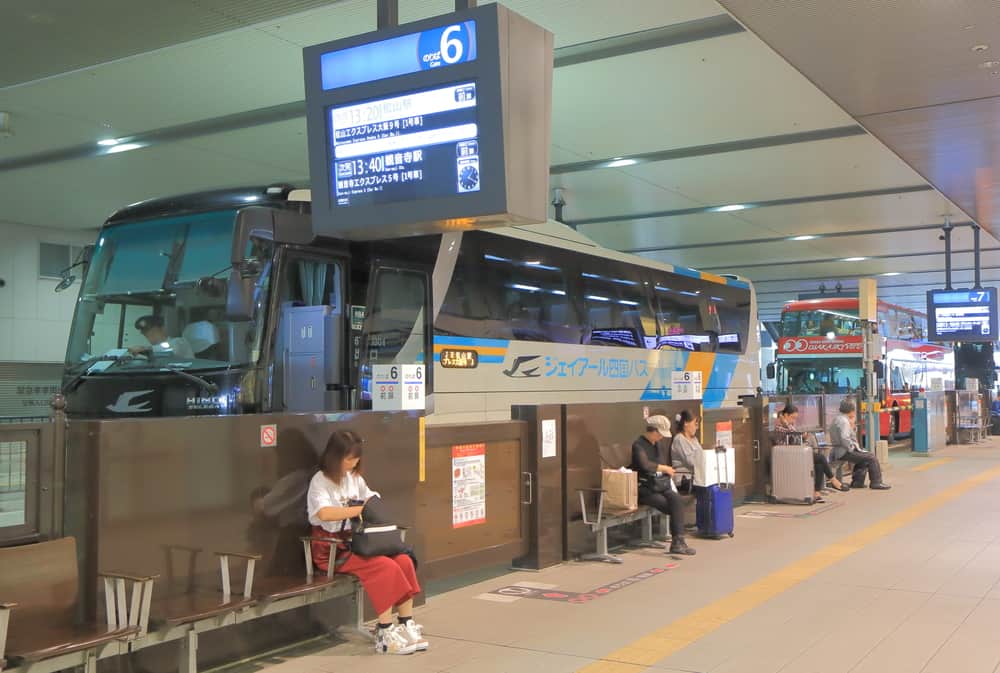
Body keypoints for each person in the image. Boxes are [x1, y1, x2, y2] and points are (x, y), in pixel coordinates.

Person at [306, 430, 427, 655]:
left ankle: (406, 623)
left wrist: (371, 505)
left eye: (356, 458)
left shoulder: (355, 478)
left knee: (404, 560)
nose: (353, 463)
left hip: (360, 543)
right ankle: (384, 632)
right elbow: (324, 514)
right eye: (348, 458)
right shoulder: (319, 481)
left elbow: (372, 500)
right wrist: (360, 508)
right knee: (385, 566)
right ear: (334, 456)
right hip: (333, 549)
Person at [630, 416, 696, 556]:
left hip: (660, 485)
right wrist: (665, 468)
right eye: (659, 434)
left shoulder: (658, 445)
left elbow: (659, 464)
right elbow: (645, 465)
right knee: (672, 506)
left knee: (676, 501)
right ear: (653, 431)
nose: (661, 437)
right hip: (645, 488)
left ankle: (678, 541)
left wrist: (664, 470)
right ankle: (678, 542)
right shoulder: (638, 445)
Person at [771, 403, 849, 502]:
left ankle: (817, 493)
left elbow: (795, 438)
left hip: (797, 454)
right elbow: (791, 436)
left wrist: (804, 438)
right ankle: (833, 480)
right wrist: (786, 423)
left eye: (795, 418)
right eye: (792, 418)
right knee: (820, 458)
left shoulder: (789, 426)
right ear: (785, 415)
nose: (794, 421)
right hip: (789, 457)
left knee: (819, 464)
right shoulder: (779, 427)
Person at [829, 399, 891, 490]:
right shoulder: (844, 421)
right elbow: (844, 438)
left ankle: (857, 482)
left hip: (838, 450)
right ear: (851, 410)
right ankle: (876, 482)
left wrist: (853, 428)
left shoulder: (837, 419)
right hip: (844, 451)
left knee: (863, 459)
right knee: (871, 457)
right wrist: (852, 448)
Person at [129, 315, 195, 359]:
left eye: (152, 330)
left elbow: (170, 349)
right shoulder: (152, 350)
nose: (149, 334)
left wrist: (143, 349)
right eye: (145, 333)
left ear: (162, 328)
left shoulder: (180, 342)